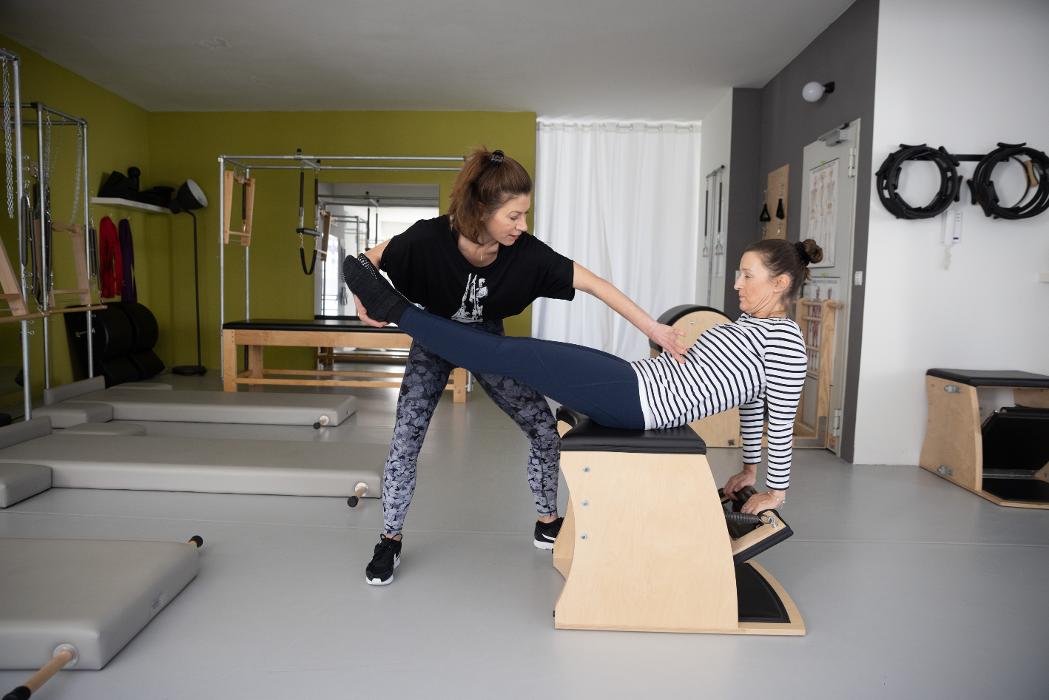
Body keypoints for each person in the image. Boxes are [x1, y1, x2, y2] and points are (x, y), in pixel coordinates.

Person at [353, 147, 688, 585]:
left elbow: (595, 285)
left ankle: (547, 522)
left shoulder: (527, 255)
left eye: (525, 214)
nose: (522, 225)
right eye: (513, 216)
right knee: (406, 438)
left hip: (488, 343)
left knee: (544, 428)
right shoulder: (427, 238)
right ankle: (390, 539)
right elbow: (365, 261)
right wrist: (362, 301)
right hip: (433, 338)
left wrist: (656, 330)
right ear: (480, 210)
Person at [346, 237, 823, 525]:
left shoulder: (785, 341)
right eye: (739, 274)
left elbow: (778, 416)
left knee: (509, 354)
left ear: (780, 283)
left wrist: (775, 488)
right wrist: (746, 468)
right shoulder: (753, 327)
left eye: (748, 275)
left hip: (638, 401)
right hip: (635, 382)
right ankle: (399, 310)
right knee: (516, 353)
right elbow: (752, 405)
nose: (737, 283)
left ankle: (394, 310)